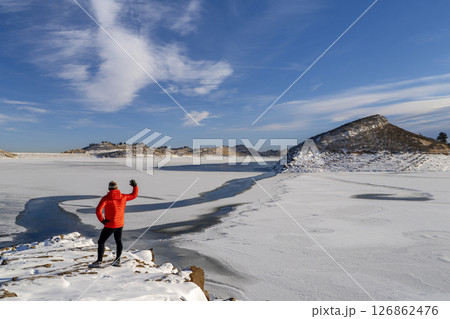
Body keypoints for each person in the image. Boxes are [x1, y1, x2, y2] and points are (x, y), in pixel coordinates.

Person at [89, 179, 138, 268]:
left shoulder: (106, 198)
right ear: (117, 188)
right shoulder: (123, 197)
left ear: (109, 189)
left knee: (101, 241)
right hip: (120, 224)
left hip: (110, 224)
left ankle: (99, 262)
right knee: (118, 241)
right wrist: (135, 186)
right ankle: (117, 261)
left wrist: (102, 220)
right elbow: (134, 195)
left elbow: (98, 210)